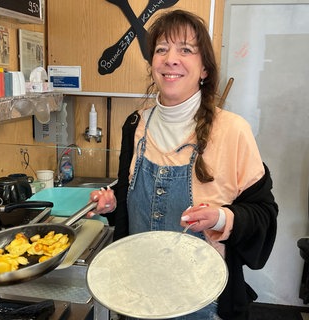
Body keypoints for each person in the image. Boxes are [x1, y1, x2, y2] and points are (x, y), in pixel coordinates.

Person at [88, 9, 278, 320]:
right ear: (152, 66)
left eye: (185, 50)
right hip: (137, 297)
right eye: (161, 49)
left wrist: (221, 218)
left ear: (204, 68)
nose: (171, 59)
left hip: (204, 303)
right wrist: (112, 206)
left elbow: (264, 216)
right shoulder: (135, 125)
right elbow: (132, 208)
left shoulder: (232, 130)